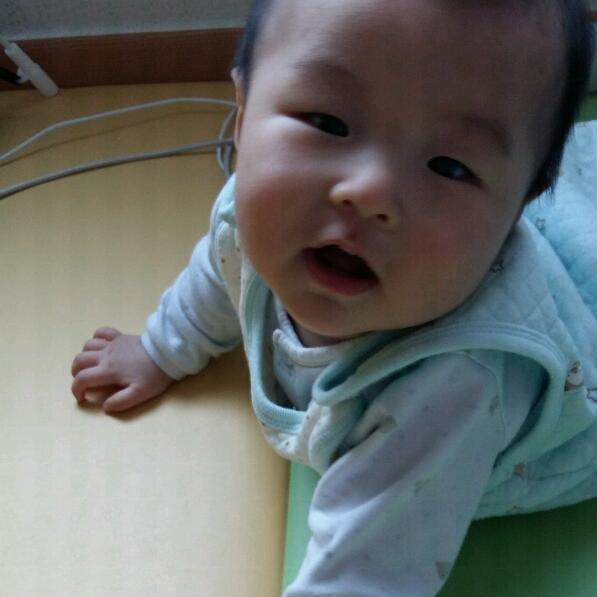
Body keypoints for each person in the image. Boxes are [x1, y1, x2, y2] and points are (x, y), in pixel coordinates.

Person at [71, 1, 597, 595]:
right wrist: (162, 349)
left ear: (520, 205)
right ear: (243, 114)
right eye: (327, 122)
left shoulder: (451, 387)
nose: (370, 192)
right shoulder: (259, 215)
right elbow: (222, 269)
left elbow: (366, 575)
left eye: (449, 167)